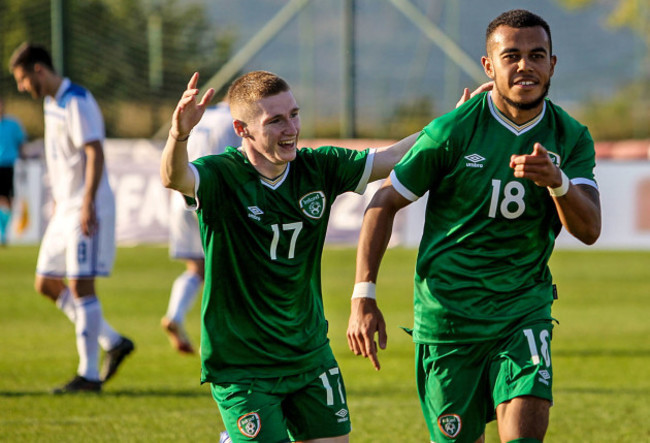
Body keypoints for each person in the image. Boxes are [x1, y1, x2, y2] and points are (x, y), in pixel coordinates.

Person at [161, 70, 493, 442]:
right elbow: (175, 178)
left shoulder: (318, 167)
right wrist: (179, 134)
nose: (291, 128)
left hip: (309, 353)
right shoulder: (220, 175)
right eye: (275, 121)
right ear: (242, 129)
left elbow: (395, 157)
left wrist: (452, 122)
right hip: (242, 363)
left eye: (294, 114)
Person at [347, 9, 601, 443]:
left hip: (522, 310)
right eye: (512, 56)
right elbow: (384, 202)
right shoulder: (453, 131)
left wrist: (557, 183)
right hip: (449, 320)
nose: (525, 66)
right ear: (489, 66)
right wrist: (363, 296)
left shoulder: (570, 136)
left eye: (537, 55)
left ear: (552, 64)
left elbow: (590, 228)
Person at [9, 43, 134, 394]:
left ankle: (89, 375)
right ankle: (112, 340)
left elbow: (94, 152)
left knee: (81, 285)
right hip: (64, 208)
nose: (22, 88)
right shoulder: (52, 104)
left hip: (85, 205)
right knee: (46, 282)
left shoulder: (76, 100)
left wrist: (87, 202)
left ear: (38, 70)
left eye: (22, 80)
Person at [161, 99, 240, 354]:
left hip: (181, 194)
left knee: (196, 268)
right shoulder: (236, 122)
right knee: (229, 269)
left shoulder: (200, 116)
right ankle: (228, 334)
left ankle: (175, 314)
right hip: (214, 194)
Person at [0, 97, 26, 246]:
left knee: (9, 199)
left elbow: (21, 143)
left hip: (9, 165)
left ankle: (4, 230)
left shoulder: (13, 124)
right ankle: (2, 230)